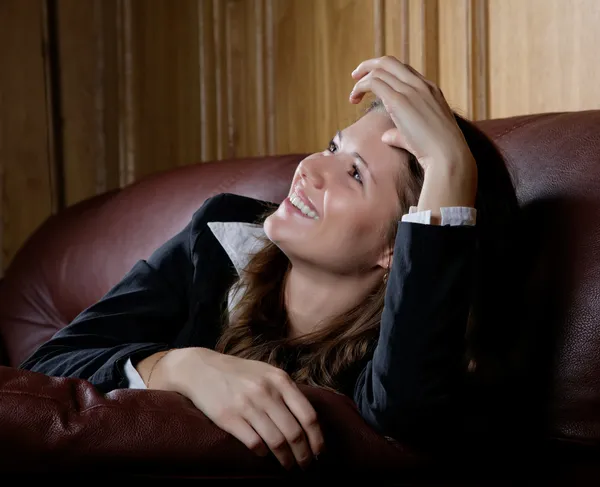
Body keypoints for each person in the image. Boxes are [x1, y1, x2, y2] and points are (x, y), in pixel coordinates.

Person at [19, 56, 519, 471]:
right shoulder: (217, 236)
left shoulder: (405, 362)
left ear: (398, 247)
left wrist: (451, 169)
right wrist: (179, 366)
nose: (311, 168)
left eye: (354, 174)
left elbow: (406, 420)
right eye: (332, 146)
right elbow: (44, 370)